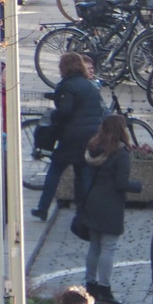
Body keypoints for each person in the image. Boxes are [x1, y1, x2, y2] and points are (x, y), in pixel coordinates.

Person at [76, 114, 143, 304]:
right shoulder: (120, 153)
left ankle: (90, 284)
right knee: (108, 247)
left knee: (95, 245)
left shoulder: (93, 147)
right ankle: (104, 287)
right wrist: (137, 186)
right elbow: (121, 183)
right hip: (110, 204)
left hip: (92, 200)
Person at [32, 51, 104, 222]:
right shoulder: (89, 85)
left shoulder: (66, 85)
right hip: (92, 135)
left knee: (55, 169)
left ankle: (43, 208)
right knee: (83, 173)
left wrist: (53, 116)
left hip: (73, 136)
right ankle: (84, 211)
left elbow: (65, 111)